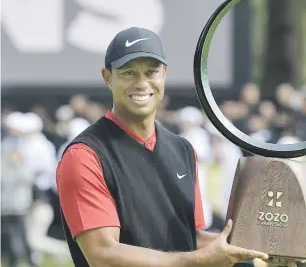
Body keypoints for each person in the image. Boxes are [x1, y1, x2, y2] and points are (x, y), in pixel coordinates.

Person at [56, 27, 275, 267]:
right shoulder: (85, 156)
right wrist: (200, 260)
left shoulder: (183, 149)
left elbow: (191, 238)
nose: (142, 83)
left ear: (164, 74)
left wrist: (256, 250)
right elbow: (104, 256)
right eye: (129, 73)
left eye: (151, 72)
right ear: (107, 77)